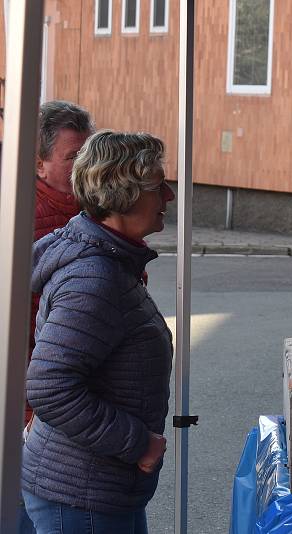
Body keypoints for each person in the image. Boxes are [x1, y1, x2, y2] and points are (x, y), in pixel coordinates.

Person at [22, 130, 175, 533]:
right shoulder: (95, 278)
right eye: (159, 187)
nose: (169, 198)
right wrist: (138, 442)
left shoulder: (110, 260)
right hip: (81, 493)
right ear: (124, 194)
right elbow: (50, 386)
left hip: (95, 488)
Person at [18, 100, 95, 534]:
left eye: (86, 154)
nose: (82, 166)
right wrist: (32, 410)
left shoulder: (81, 211)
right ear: (39, 162)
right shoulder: (28, 218)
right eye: (71, 157)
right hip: (36, 406)